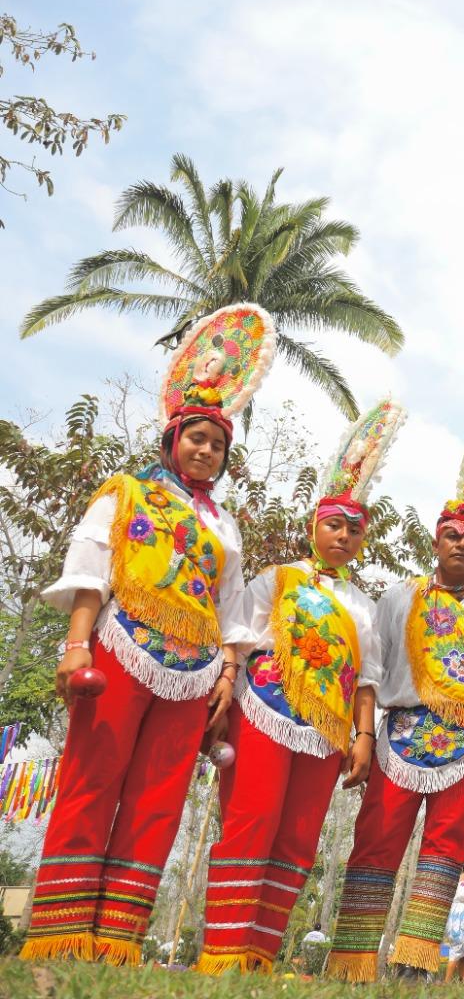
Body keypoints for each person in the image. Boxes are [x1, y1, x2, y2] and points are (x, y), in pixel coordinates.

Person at [21, 305, 276, 965]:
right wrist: (76, 645)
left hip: (192, 674)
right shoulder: (127, 492)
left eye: (217, 445)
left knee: (159, 800)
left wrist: (227, 677)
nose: (206, 450)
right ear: (172, 439)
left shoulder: (227, 529)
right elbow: (90, 571)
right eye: (196, 438)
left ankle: (118, 940)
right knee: (90, 779)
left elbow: (233, 612)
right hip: (122, 649)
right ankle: (58, 932)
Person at [196, 400, 402, 974]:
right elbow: (238, 635)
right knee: (249, 823)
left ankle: (259, 956)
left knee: (297, 840)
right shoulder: (279, 578)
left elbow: (367, 679)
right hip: (262, 711)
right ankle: (221, 955)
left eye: (354, 529)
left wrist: (363, 737)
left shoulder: (363, 605)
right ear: (316, 526)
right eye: (334, 524)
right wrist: (225, 685)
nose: (343, 535)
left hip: (326, 731)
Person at [325, 408, 464, 981]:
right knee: (376, 839)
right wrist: (361, 733)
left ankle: (414, 963)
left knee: (444, 851)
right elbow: (370, 668)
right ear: (436, 540)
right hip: (401, 736)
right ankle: (352, 961)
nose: (460, 544)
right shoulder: (398, 597)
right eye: (451, 535)